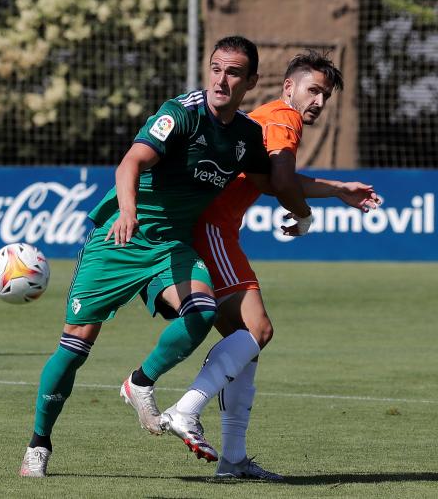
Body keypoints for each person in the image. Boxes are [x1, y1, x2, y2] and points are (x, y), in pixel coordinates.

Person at [19, 36, 317, 478]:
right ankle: (38, 445)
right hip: (119, 241)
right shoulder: (181, 113)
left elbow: (274, 182)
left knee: (203, 311)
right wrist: (126, 210)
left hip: (171, 247)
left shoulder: (246, 136)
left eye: (233, 72)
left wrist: (336, 191)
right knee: (75, 346)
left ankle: (139, 382)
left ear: (251, 81)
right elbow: (130, 163)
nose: (221, 79)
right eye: (216, 68)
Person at [161, 50, 381, 480]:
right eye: (313, 90)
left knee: (245, 346)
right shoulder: (284, 116)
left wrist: (337, 190)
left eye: (326, 95)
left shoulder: (267, 116)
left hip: (207, 226)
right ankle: (184, 410)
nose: (318, 101)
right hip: (212, 228)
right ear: (288, 88)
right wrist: (304, 217)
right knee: (258, 332)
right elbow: (281, 182)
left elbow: (273, 177)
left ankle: (233, 459)